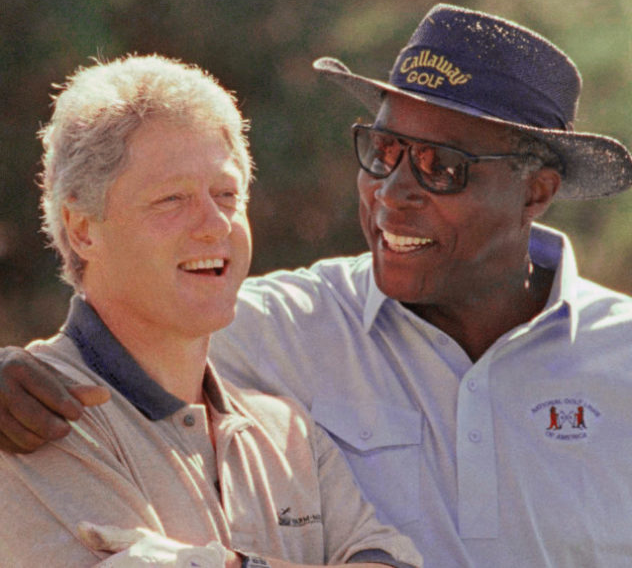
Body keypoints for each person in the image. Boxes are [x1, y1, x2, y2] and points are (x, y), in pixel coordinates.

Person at [1, 3, 632, 567]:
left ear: (536, 192)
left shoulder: (624, 355)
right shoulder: (280, 322)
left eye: (443, 168)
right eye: (383, 151)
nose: (393, 192)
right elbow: (128, 315)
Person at [0, 54, 422, 568]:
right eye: (171, 199)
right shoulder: (30, 421)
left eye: (226, 194)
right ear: (83, 228)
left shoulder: (288, 432)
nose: (214, 225)